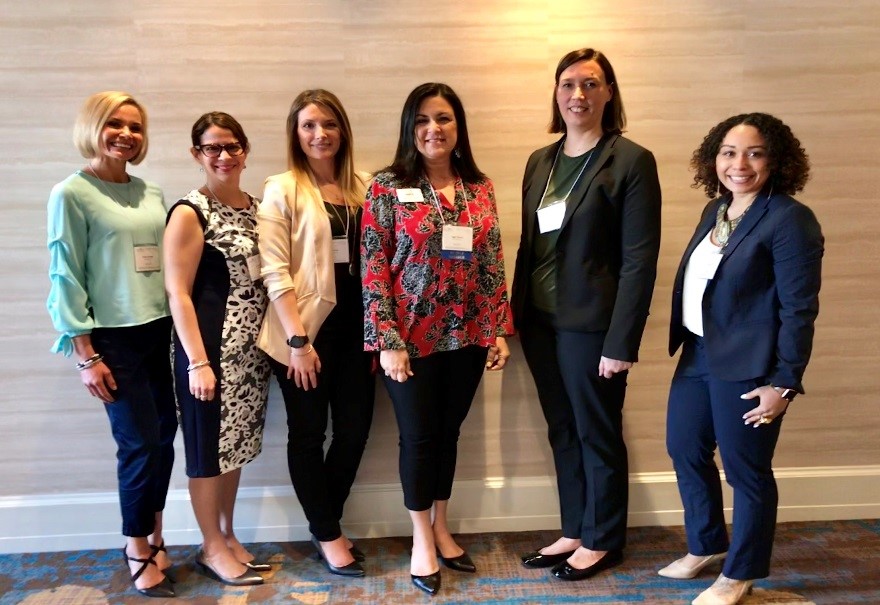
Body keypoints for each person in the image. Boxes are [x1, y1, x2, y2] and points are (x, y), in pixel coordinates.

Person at [511, 48, 662, 581]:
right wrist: (512, 315)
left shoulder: (631, 161)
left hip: (591, 325)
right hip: (539, 322)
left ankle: (603, 539)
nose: (578, 94)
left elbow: (639, 259)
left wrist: (621, 341)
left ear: (609, 92)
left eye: (591, 84)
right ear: (556, 93)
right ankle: (575, 528)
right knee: (562, 428)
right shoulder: (540, 161)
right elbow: (531, 244)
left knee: (596, 430)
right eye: (569, 84)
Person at [661, 113, 823, 605]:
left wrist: (784, 382)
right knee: (684, 448)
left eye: (755, 153)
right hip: (698, 353)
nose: (740, 164)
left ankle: (740, 572)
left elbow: (799, 309)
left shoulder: (790, 218)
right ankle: (707, 543)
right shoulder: (716, 210)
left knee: (745, 470)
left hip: (750, 366)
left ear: (776, 161)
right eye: (729, 152)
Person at [361, 82, 514, 595]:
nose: (434, 129)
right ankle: (421, 538)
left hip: (468, 335)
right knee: (419, 437)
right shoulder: (386, 186)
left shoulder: (479, 186)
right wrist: (387, 339)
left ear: (458, 126)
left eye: (444, 118)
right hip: (410, 340)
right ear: (411, 127)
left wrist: (497, 329)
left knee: (449, 434)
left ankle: (441, 526)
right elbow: (374, 267)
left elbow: (491, 261)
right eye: (423, 119)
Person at [46, 91, 177, 598]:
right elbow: (65, 276)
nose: (126, 134)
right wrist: (86, 355)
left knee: (163, 437)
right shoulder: (71, 193)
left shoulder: (150, 192)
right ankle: (136, 546)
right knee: (138, 444)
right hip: (111, 340)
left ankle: (157, 534)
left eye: (135, 127)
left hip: (159, 329)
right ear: (93, 128)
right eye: (115, 124)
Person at [257, 89, 375, 578]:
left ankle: (325, 521)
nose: (320, 134)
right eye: (309, 125)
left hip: (359, 331)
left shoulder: (365, 186)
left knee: (354, 432)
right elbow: (274, 270)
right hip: (304, 333)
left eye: (329, 124)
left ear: (342, 130)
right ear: (296, 133)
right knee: (308, 435)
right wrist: (297, 342)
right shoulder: (282, 188)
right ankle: (328, 533)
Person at [164, 112, 269, 587]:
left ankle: (227, 535)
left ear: (245, 150)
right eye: (212, 148)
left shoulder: (257, 207)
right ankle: (210, 547)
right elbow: (177, 292)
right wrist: (198, 363)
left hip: (249, 356)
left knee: (235, 449)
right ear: (197, 154)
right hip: (207, 354)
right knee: (207, 453)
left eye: (232, 146)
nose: (224, 156)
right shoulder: (191, 212)